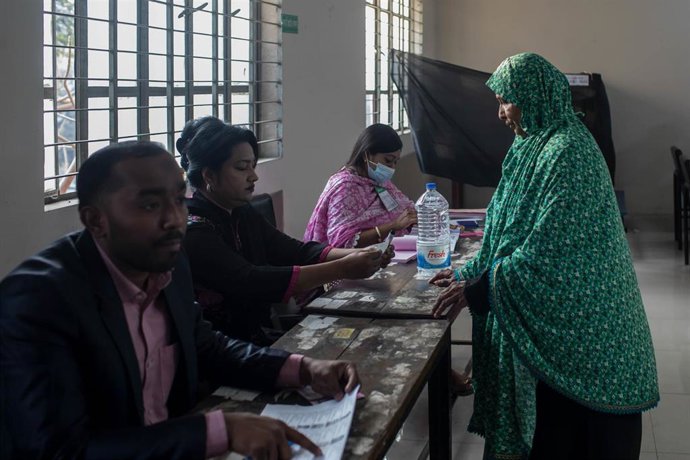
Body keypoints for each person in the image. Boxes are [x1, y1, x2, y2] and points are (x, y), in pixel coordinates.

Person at [0, 141, 360, 460]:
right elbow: (57, 450)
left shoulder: (164, 265)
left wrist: (302, 369)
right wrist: (218, 432)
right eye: (150, 205)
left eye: (177, 200)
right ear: (95, 220)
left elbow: (207, 346)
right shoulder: (38, 301)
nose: (174, 219)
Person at [429, 53, 659, 459]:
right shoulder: (531, 145)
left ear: (535, 96)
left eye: (507, 101)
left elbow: (549, 252)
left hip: (583, 332)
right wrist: (471, 272)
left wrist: (481, 289)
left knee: (578, 439)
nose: (501, 113)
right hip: (559, 328)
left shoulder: (568, 151)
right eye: (499, 101)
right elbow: (504, 225)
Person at [178, 118, 392, 344]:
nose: (253, 176)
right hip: (226, 350)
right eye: (242, 167)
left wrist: (363, 255)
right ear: (209, 176)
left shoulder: (242, 212)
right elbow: (250, 280)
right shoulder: (195, 231)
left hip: (257, 336)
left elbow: (294, 250)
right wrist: (343, 268)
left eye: (253, 165)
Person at [304, 123, 417, 248]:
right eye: (388, 161)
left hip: (381, 255)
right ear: (366, 155)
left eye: (396, 162)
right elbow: (341, 242)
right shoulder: (345, 187)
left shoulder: (379, 182)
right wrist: (393, 226)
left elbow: (405, 209)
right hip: (344, 263)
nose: (392, 168)